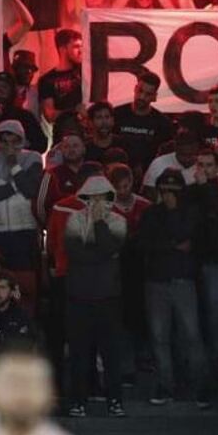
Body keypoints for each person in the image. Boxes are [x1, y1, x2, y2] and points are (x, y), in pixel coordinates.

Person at [136, 169, 211, 407]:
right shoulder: (151, 214)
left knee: (192, 335)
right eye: (165, 190)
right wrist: (172, 245)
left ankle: (200, 387)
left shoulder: (190, 213)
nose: (169, 195)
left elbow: (190, 239)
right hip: (156, 281)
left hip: (183, 280)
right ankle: (165, 385)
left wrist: (168, 236)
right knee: (159, 337)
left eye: (173, 191)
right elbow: (144, 243)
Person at [63, 174, 127, 418]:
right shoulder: (73, 220)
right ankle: (78, 401)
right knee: (79, 353)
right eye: (93, 197)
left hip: (109, 298)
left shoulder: (119, 221)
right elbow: (75, 253)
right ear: (86, 197)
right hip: (78, 297)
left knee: (111, 354)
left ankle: (115, 401)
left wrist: (99, 224)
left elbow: (112, 247)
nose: (98, 202)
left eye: (103, 197)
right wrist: (101, 254)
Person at [0, 119, 44, 300]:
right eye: (5, 141)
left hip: (24, 231)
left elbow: (31, 190)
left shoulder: (33, 157)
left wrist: (13, 165)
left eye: (14, 141)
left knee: (24, 283)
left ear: (22, 140)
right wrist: (17, 185)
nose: (9, 146)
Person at [112, 72, 174, 178]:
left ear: (154, 96)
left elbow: (164, 155)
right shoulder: (116, 114)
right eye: (140, 91)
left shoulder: (162, 122)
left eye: (148, 94)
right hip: (116, 173)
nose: (142, 97)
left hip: (149, 175)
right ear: (135, 88)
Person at [37, 28, 84, 126]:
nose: (81, 51)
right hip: (63, 133)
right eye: (76, 46)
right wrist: (75, 111)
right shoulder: (47, 80)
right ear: (62, 49)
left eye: (82, 46)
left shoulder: (86, 72)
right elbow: (49, 115)